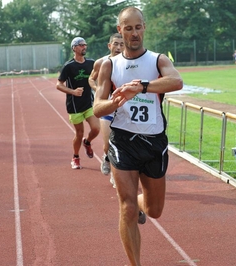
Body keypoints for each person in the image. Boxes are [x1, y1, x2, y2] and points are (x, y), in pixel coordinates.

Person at [93, 7, 183, 265]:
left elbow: (176, 82)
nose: (133, 33)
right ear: (120, 30)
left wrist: (141, 87)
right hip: (123, 142)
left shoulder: (158, 60)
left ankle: (142, 204)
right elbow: (98, 107)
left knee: (155, 211)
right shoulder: (109, 65)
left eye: (137, 27)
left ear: (144, 27)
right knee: (127, 207)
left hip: (153, 142)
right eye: (128, 28)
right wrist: (115, 102)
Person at [56, 37, 100, 169]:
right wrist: (73, 92)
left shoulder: (91, 63)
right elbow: (58, 85)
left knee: (96, 129)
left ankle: (87, 142)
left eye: (85, 45)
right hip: (74, 106)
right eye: (81, 45)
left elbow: (98, 77)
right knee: (79, 133)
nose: (84, 47)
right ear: (74, 48)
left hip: (88, 103)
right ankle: (75, 157)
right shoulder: (68, 66)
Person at [89, 33, 124, 188]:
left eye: (122, 44)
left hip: (124, 109)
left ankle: (117, 176)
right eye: (116, 44)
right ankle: (107, 157)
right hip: (106, 109)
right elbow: (91, 78)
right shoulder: (101, 62)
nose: (118, 47)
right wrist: (99, 90)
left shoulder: (130, 62)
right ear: (109, 45)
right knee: (107, 145)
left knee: (122, 146)